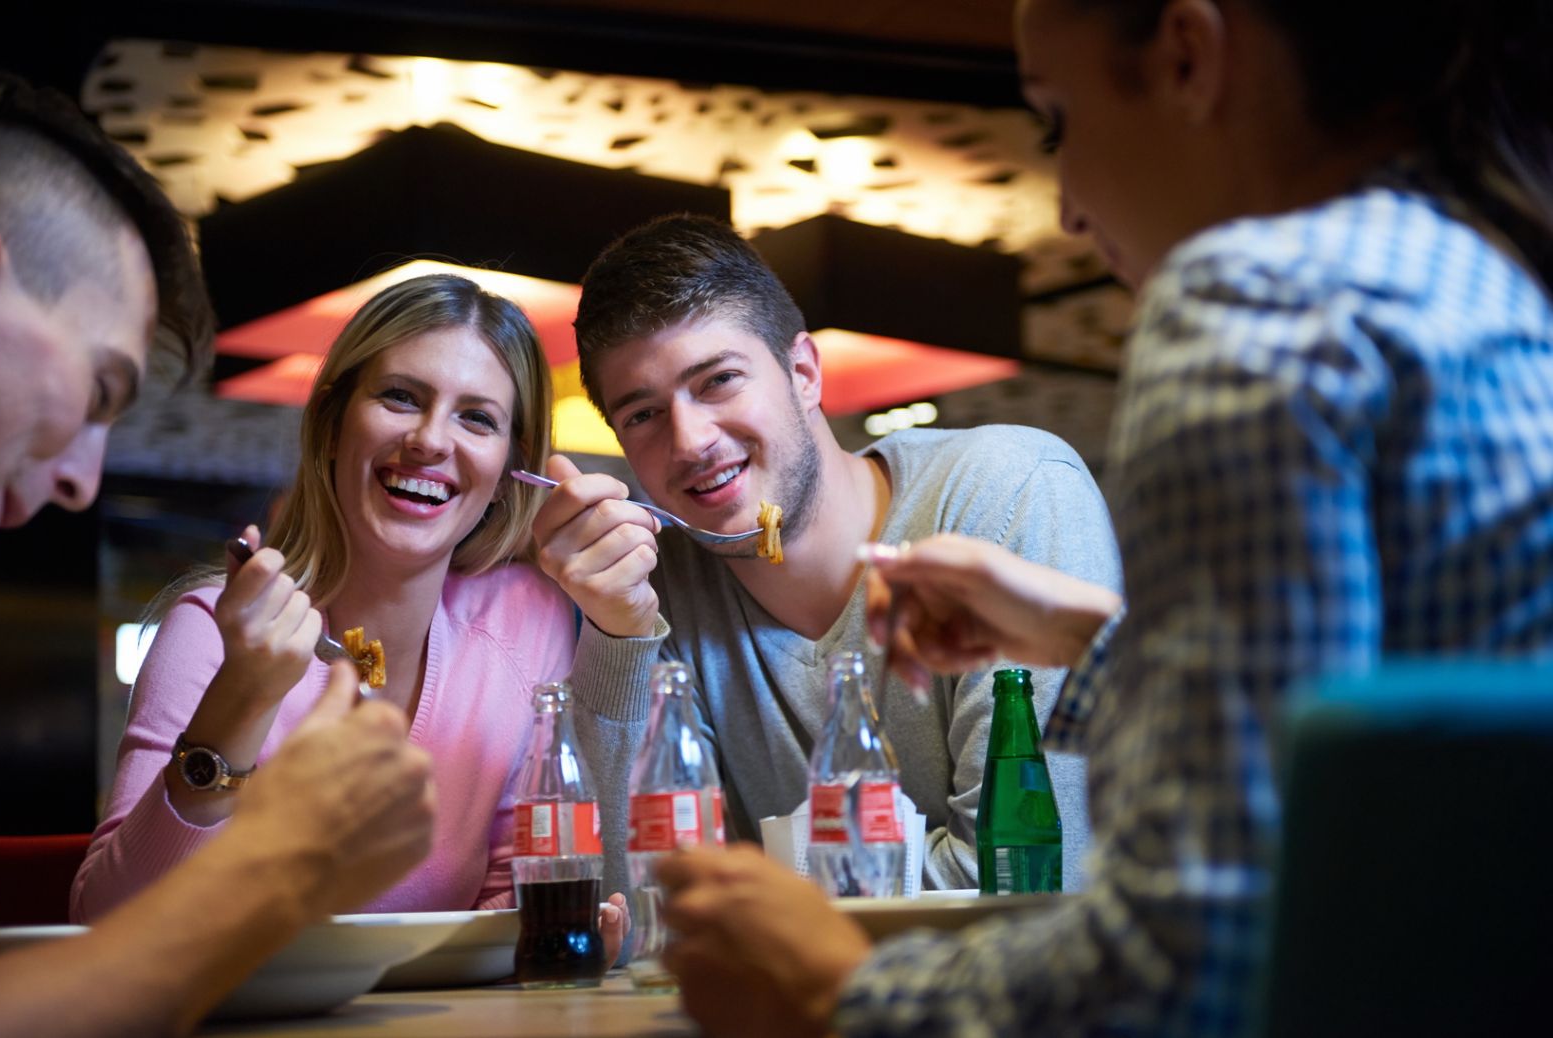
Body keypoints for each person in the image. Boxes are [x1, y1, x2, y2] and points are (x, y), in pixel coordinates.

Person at [651, 0, 1553, 1035]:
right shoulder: (1480, 273)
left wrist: (836, 988)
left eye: (1055, 122)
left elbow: (1186, 958)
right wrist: (1085, 635)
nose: (1068, 208)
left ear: (1187, 56)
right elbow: (1384, 724)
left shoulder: (1259, 302)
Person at [0, 72, 435, 1035]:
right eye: (98, 390)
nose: (83, 479)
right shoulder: (207, 620)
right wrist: (280, 862)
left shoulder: (526, 622)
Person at [533, 213, 1122, 903]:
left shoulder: (1009, 492)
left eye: (718, 380)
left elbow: (1029, 880)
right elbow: (626, 912)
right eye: (642, 415)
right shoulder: (652, 589)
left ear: (803, 371)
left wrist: (752, 889)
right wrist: (619, 634)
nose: (689, 441)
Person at [71, 273, 628, 959]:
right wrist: (241, 696)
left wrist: (551, 930)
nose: (429, 439)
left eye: (476, 417)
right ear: (333, 425)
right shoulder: (212, 626)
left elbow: (511, 888)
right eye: (401, 397)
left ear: (509, 470)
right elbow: (106, 924)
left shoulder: (528, 616)